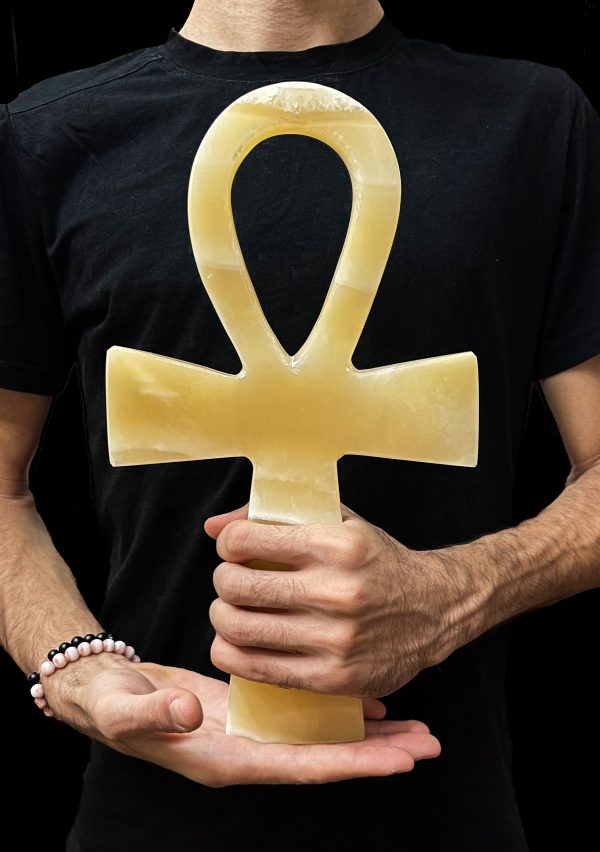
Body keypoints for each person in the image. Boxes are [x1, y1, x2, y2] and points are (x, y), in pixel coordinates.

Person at [1, 0, 599, 849]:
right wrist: (77, 668)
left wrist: (453, 594)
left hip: (446, 813)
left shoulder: (534, 120)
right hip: (149, 817)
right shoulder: (46, 137)